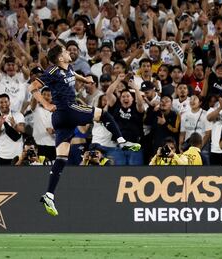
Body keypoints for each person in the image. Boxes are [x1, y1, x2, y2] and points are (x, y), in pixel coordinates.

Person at [28, 44, 140, 216]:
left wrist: (85, 80)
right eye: (65, 51)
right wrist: (46, 104)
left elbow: (73, 75)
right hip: (67, 109)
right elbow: (32, 87)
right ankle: (122, 142)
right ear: (60, 58)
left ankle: (49, 194)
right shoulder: (52, 71)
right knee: (102, 114)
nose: (69, 52)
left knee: (61, 157)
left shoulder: (70, 68)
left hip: (61, 119)